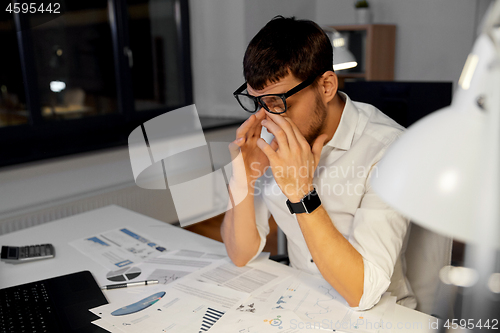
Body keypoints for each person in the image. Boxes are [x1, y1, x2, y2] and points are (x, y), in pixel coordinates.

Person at [220, 16, 416, 311]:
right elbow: (240, 253)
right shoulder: (272, 142)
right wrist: (243, 177)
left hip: (379, 314)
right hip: (304, 300)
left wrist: (302, 193)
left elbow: (362, 293)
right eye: (258, 103)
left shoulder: (389, 149)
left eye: (278, 102)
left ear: (326, 86)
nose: (267, 120)